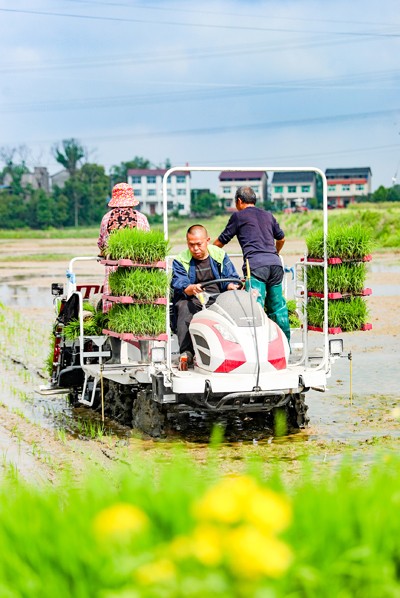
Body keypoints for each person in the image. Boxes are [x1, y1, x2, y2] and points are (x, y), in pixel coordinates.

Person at [213, 185, 290, 344]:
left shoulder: (238, 216)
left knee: (255, 308)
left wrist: (208, 251)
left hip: (256, 267)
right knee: (278, 308)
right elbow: (281, 238)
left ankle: (257, 347)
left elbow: (221, 241)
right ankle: (284, 346)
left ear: (239, 201)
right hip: (275, 266)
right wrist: (275, 253)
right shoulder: (268, 215)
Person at [171, 224, 241, 369]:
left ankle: (235, 350)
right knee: (183, 306)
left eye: (199, 244)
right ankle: (186, 352)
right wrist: (191, 288)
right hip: (194, 299)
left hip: (218, 299)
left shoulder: (219, 255)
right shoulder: (180, 260)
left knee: (236, 304)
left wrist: (230, 285)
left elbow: (231, 277)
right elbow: (179, 283)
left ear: (207, 241)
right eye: (191, 245)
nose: (195, 249)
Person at [98, 182, 150, 312]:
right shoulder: (141, 218)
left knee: (114, 304)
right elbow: (148, 244)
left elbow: (101, 243)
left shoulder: (106, 218)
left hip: (114, 269)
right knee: (136, 305)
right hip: (137, 268)